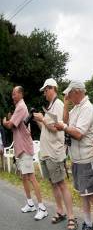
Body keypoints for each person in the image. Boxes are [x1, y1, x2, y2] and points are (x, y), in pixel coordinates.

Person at [54, 81, 93, 230]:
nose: (68, 97)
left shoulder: (86, 108)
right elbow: (65, 121)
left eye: (69, 94)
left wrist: (64, 127)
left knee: (92, 194)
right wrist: (65, 106)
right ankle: (88, 223)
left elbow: (78, 133)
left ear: (78, 92)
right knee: (83, 194)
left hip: (86, 157)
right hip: (77, 158)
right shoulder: (77, 107)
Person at [33, 78, 76, 230]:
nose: (44, 93)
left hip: (54, 153)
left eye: (45, 90)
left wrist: (42, 118)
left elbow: (56, 128)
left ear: (52, 88)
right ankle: (60, 211)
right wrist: (39, 120)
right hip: (46, 152)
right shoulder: (50, 106)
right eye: (44, 90)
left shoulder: (57, 105)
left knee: (62, 184)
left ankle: (71, 217)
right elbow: (46, 128)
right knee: (53, 184)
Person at [2, 86, 47, 220]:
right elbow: (15, 125)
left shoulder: (21, 107)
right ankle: (30, 203)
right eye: (12, 94)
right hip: (20, 146)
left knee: (31, 177)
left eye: (14, 93)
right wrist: (10, 121)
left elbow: (10, 125)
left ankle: (42, 208)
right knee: (24, 176)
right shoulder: (19, 107)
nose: (12, 96)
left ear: (21, 94)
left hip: (25, 147)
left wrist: (5, 122)